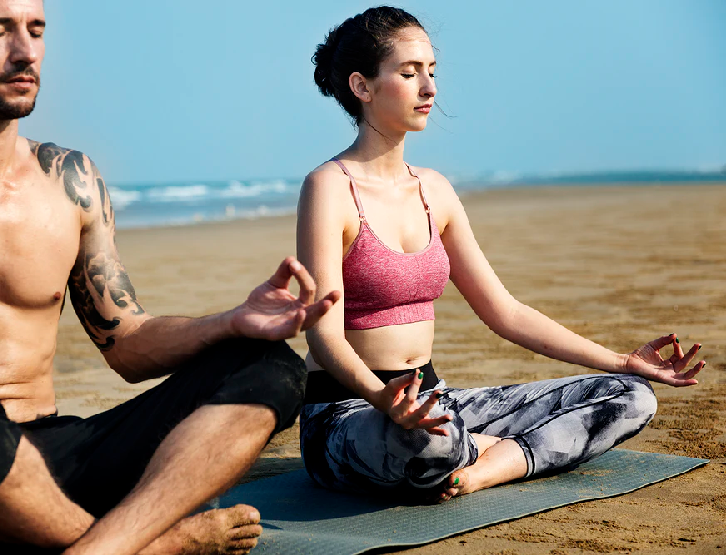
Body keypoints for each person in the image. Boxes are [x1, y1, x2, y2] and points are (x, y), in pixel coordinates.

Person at [0, 1, 339, 553]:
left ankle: (99, 546)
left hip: (54, 451)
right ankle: (162, 545)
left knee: (267, 367)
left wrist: (231, 323)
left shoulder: (69, 179)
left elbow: (125, 344)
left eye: (36, 31)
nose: (26, 52)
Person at [296, 6, 705, 503]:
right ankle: (505, 453)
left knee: (628, 396)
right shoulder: (328, 189)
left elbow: (505, 312)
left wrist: (622, 360)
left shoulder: (435, 190)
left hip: (432, 399)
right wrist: (384, 399)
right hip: (349, 414)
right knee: (429, 440)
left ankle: (485, 470)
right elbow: (322, 333)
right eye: (409, 73)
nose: (430, 88)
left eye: (432, 72)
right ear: (362, 86)